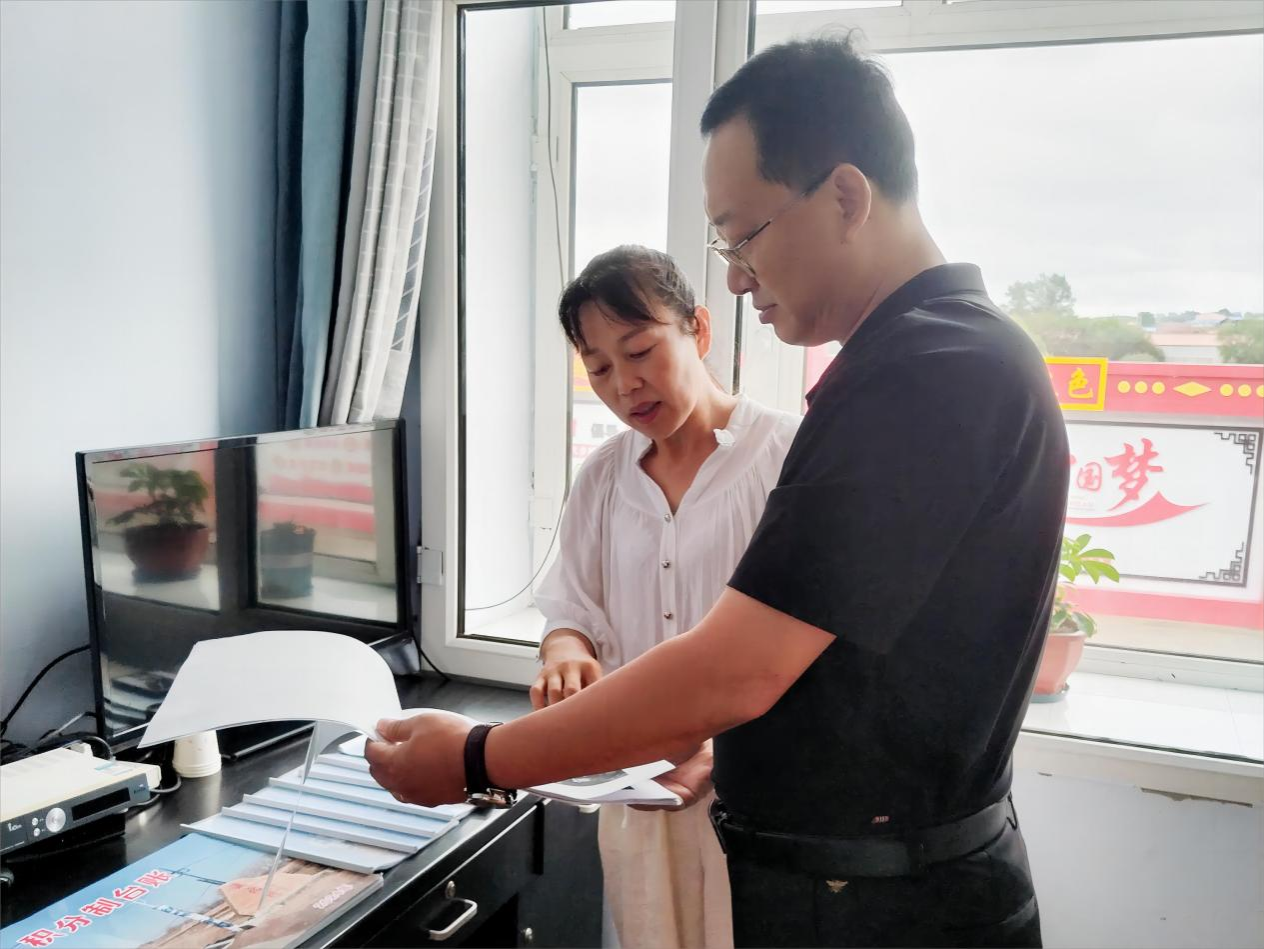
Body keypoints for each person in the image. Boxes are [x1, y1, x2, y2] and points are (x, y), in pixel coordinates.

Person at [367, 35, 1068, 948]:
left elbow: (736, 667)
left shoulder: (929, 372)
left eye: (744, 235)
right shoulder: (927, 357)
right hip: (852, 886)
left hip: (886, 910)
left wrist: (476, 756)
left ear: (846, 197)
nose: (736, 276)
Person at [530, 244, 800, 949]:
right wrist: (565, 654)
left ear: (698, 330)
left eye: (640, 350)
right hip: (640, 787)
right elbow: (573, 609)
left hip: (762, 794)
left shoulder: (787, 456)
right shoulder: (602, 478)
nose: (625, 384)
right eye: (598, 368)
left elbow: (815, 639)